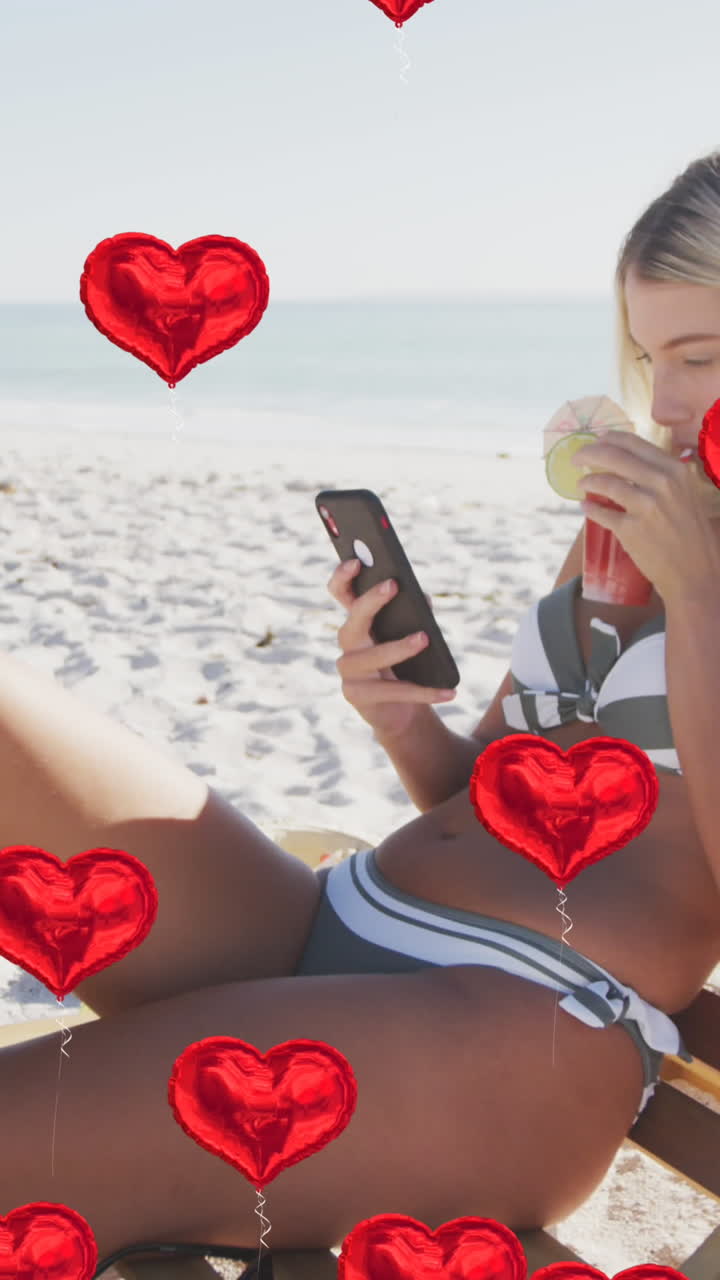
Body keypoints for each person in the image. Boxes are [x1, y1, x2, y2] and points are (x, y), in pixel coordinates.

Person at [2, 150, 720, 1264]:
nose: (663, 407)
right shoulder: (636, 530)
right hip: (334, 921)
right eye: (647, 358)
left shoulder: (690, 556)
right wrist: (405, 723)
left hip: (509, 1039)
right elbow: (494, 801)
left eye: (701, 358)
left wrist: (703, 592)